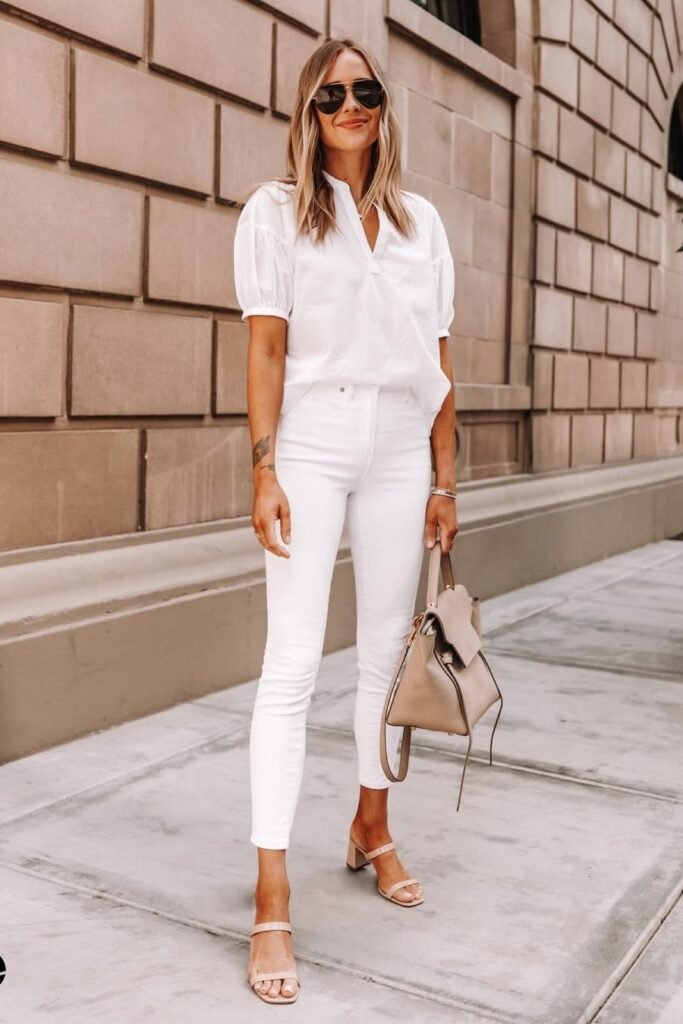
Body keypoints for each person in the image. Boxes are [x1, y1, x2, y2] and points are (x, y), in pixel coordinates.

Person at [233, 36, 458, 1006]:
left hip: (403, 447)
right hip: (315, 442)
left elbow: (439, 360)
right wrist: (263, 465)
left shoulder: (419, 225)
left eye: (366, 91)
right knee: (290, 665)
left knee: (381, 656)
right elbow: (267, 351)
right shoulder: (276, 215)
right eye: (333, 93)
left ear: (381, 106)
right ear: (307, 110)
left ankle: (371, 823)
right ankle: (271, 891)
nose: (352, 105)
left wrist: (448, 478)